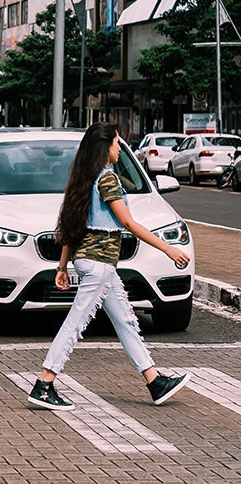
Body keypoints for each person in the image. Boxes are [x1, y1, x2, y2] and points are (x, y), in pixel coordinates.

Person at [28, 122, 191, 411]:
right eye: (117, 143)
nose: (119, 148)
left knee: (126, 320)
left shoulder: (82, 179)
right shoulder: (106, 180)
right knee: (75, 323)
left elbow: (71, 227)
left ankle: (155, 381)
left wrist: (63, 267)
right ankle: (44, 384)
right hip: (99, 263)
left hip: (93, 262)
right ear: (105, 148)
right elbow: (128, 223)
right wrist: (168, 249)